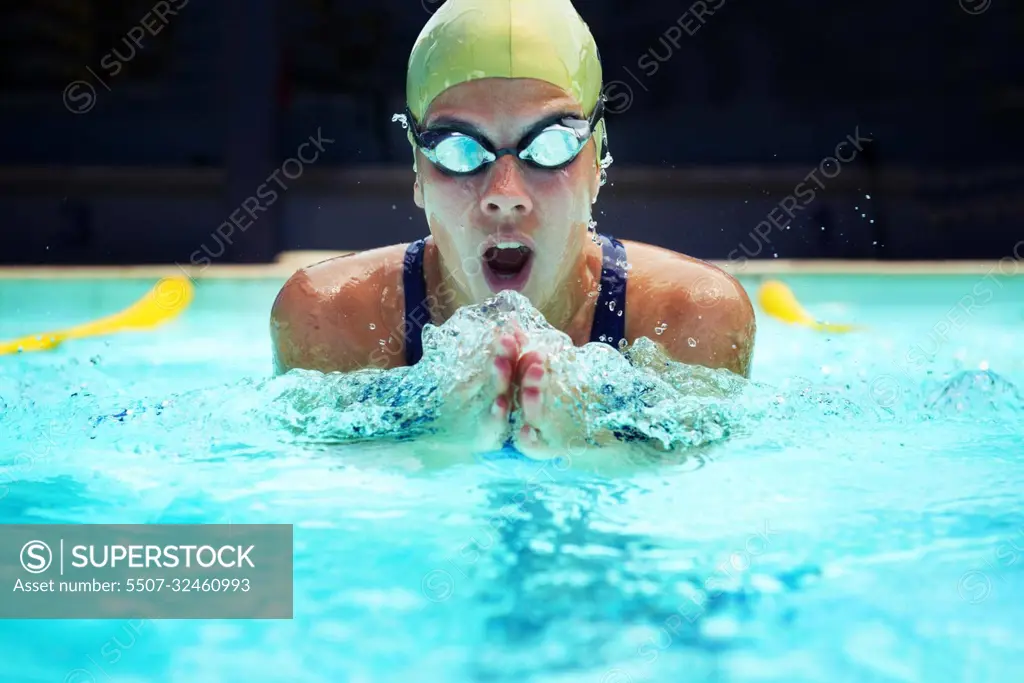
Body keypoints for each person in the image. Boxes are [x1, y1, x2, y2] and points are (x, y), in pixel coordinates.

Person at [271, 0, 755, 457]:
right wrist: (440, 441)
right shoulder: (336, 320)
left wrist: (586, 441)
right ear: (418, 170)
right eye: (459, 149)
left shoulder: (687, 319)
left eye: (550, 145)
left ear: (597, 163)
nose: (505, 191)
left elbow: (694, 511)